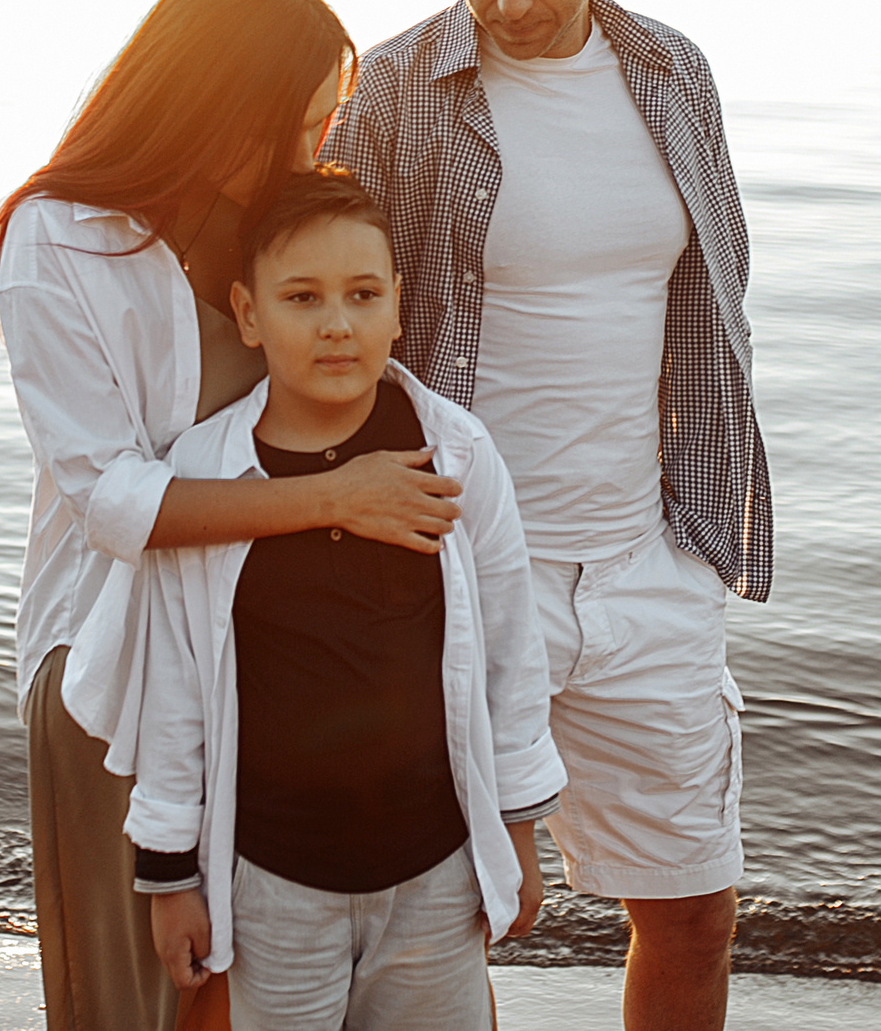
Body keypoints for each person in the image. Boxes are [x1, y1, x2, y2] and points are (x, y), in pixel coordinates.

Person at [325, 0, 773, 1031]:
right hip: (458, 568)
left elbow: (716, 302)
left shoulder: (675, 73)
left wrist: (703, 521)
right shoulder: (399, 87)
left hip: (650, 563)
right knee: (444, 915)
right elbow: (326, 313)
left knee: (691, 909)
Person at [0, 0, 467, 1031]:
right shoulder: (54, 241)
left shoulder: (279, 227)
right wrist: (335, 500)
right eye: (296, 127)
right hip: (117, 661)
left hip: (279, 655)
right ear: (215, 109)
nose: (318, 152)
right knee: (154, 999)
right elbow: (114, 502)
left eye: (326, 124)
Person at [65, 168, 563, 1031]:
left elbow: (512, 656)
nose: (337, 322)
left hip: (436, 877)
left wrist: (516, 825)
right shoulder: (209, 476)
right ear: (249, 313)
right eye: (302, 297)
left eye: (363, 293)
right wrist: (171, 875)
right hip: (272, 886)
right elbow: (180, 690)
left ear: (398, 306)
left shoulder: (454, 455)